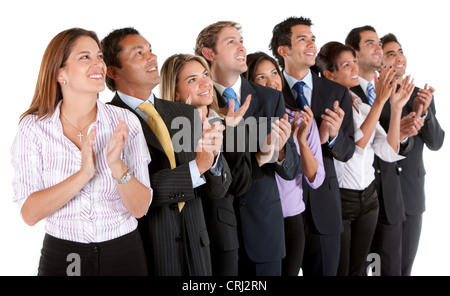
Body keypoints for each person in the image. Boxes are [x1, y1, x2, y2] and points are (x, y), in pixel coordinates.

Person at [10, 28, 152, 276]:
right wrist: (83, 175)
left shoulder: (125, 122)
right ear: (59, 73)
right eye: (85, 57)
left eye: (99, 56)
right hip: (63, 255)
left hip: (124, 252)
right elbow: (30, 214)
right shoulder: (33, 128)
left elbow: (140, 209)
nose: (98, 63)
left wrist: (117, 166)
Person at [101, 27, 224, 276]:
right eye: (139, 53)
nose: (152, 57)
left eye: (151, 50)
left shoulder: (185, 114)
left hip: (197, 249)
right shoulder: (105, 121)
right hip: (147, 250)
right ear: (113, 71)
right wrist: (197, 166)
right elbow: (131, 191)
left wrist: (214, 157)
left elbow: (217, 190)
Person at [195, 21, 302, 276]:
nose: (241, 47)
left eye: (241, 41)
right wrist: (259, 157)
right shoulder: (199, 99)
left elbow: (291, 169)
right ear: (209, 54)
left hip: (264, 231)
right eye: (231, 41)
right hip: (216, 234)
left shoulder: (270, 98)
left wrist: (279, 151)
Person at [315, 41, 414, 275]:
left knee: (360, 269)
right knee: (342, 269)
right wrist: (380, 102)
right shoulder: (328, 108)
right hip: (342, 200)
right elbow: (354, 148)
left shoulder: (361, 105)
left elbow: (388, 152)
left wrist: (396, 107)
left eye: (355, 63)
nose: (354, 69)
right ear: (329, 74)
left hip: (369, 199)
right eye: (346, 65)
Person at [270, 16, 355, 276]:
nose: (311, 44)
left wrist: (332, 135)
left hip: (324, 208)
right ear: (283, 50)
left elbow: (348, 151)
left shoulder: (335, 92)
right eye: (302, 39)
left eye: (312, 39)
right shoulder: (268, 87)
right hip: (280, 209)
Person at [159, 53, 252, 275]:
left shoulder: (229, 122)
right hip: (182, 236)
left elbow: (241, 185)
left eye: (204, 75)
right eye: (192, 80)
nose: (205, 83)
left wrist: (231, 133)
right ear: (175, 91)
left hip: (221, 235)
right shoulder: (163, 129)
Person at [345, 26, 423, 275]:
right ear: (354, 54)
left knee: (391, 270)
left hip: (390, 200)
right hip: (355, 202)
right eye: (371, 43)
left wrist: (404, 131)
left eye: (380, 43)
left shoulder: (395, 89)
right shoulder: (344, 91)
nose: (379, 48)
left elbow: (393, 146)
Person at [244, 51, 325, 276]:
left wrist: (301, 140)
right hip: (257, 222)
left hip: (291, 221)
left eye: (274, 73)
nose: (271, 81)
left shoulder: (300, 118)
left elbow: (316, 179)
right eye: (260, 77)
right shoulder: (240, 123)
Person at [380, 33, 445, 275]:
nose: (398, 58)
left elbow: (436, 143)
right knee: (377, 267)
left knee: (404, 267)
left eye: (400, 51)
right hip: (380, 195)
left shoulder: (421, 95)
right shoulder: (372, 95)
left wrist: (424, 113)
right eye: (390, 54)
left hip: (411, 195)